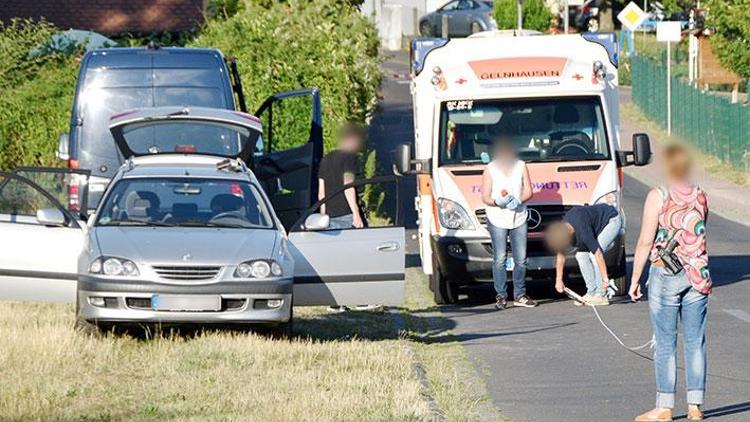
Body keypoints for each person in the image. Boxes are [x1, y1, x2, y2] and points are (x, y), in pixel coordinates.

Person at [629, 144, 710, 422]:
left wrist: (636, 278)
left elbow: (645, 241)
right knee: (695, 341)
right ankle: (695, 406)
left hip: (666, 274)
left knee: (665, 343)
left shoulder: (658, 195)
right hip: (698, 274)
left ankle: (664, 406)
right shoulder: (700, 195)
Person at [481, 140, 537, 310]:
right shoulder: (490, 169)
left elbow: (529, 190)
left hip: (519, 217)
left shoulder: (521, 166)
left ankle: (520, 294)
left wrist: (519, 199)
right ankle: (501, 295)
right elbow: (485, 197)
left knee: (521, 259)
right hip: (497, 218)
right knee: (500, 258)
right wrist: (497, 202)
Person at [545, 203, 622, 306]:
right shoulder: (561, 231)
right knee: (580, 256)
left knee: (592, 256)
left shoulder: (583, 231)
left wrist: (605, 279)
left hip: (611, 220)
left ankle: (601, 295)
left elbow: (598, 254)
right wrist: (558, 280)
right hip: (595, 225)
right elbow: (560, 257)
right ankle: (591, 292)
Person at [318, 123, 365, 230]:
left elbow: (321, 194)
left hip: (329, 218)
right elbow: (348, 186)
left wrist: (322, 218)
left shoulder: (325, 159)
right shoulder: (349, 157)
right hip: (346, 215)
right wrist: (356, 214)